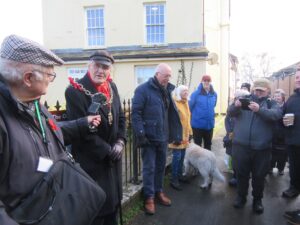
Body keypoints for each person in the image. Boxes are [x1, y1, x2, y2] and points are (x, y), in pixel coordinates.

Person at [0, 35, 103, 225]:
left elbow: (47, 134)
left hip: (53, 207)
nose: (51, 80)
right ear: (28, 78)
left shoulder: (32, 102)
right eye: (49, 75)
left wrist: (82, 124)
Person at [65, 50, 126, 225]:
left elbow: (121, 117)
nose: (100, 70)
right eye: (97, 66)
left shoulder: (111, 87)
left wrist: (121, 141)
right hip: (92, 163)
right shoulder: (74, 92)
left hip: (113, 161)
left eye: (105, 67)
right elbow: (81, 132)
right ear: (89, 66)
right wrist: (108, 150)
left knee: (113, 207)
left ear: (110, 70)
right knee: (97, 211)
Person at [131, 63, 182, 215]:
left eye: (169, 76)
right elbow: (136, 114)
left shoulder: (166, 90)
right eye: (166, 75)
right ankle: (149, 198)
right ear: (157, 74)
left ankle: (159, 192)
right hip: (148, 138)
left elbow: (169, 113)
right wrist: (141, 134)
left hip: (163, 137)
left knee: (160, 166)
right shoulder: (142, 90)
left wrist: (175, 133)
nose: (168, 78)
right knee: (149, 168)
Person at [228, 78, 282, 214]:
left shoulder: (271, 103)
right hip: (241, 146)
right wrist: (236, 105)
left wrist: (259, 110)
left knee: (259, 176)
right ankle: (241, 197)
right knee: (241, 174)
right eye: (256, 89)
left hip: (262, 148)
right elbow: (230, 112)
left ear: (268, 90)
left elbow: (276, 115)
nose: (257, 93)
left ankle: (257, 200)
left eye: (261, 91)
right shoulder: (244, 99)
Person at [282, 69, 300, 223]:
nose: (298, 79)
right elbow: (283, 113)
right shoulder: (292, 98)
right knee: (294, 169)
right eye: (297, 77)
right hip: (292, 142)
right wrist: (284, 120)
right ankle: (294, 188)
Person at [223, 88, 251, 187]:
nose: (240, 99)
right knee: (234, 158)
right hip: (232, 137)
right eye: (238, 97)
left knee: (244, 159)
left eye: (243, 97)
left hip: (243, 139)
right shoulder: (232, 107)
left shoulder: (248, 109)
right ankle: (235, 176)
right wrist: (230, 132)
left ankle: (243, 176)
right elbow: (227, 121)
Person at [168, 85, 193, 191]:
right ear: (178, 92)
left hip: (185, 134)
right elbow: (172, 121)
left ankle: (179, 176)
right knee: (177, 157)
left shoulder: (185, 102)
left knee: (182, 156)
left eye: (187, 90)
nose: (186, 92)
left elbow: (187, 119)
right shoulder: (175, 103)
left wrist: (191, 132)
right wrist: (174, 136)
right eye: (184, 91)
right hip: (177, 135)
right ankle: (173, 179)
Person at [189, 75, 217, 150]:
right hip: (197, 126)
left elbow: (213, 106)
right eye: (205, 81)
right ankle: (197, 162)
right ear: (201, 82)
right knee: (197, 147)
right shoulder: (195, 94)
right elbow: (190, 107)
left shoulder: (214, 94)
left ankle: (207, 161)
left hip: (209, 126)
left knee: (208, 146)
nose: (206, 82)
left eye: (208, 81)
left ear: (210, 82)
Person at [269, 89, 287, 176]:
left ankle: (281, 168)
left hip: (283, 133)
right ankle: (270, 167)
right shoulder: (271, 106)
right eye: (275, 96)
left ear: (283, 97)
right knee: (271, 151)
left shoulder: (286, 107)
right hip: (272, 132)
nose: (277, 98)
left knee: (282, 153)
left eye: (278, 96)